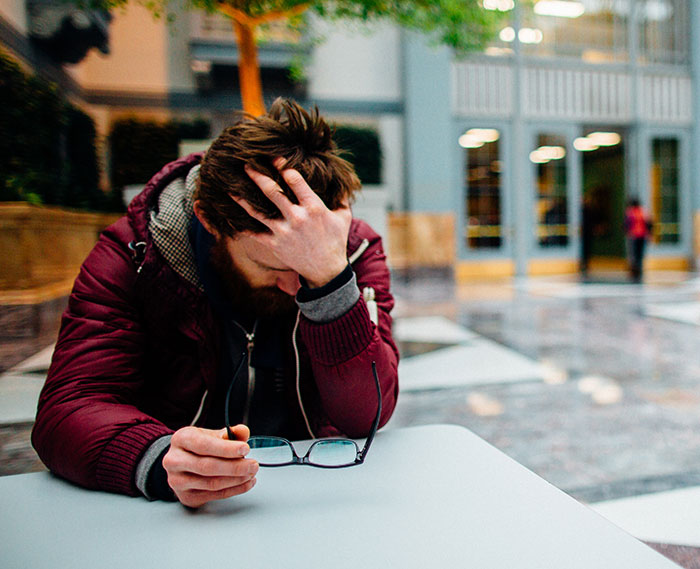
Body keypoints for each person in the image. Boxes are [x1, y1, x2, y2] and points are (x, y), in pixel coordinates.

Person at [31, 99, 399, 508]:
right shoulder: (135, 255)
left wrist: (331, 281)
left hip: (316, 494)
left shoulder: (352, 251)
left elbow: (366, 415)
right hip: (179, 515)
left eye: (308, 266)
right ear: (208, 219)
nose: (295, 287)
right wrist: (157, 457)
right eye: (273, 265)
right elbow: (69, 409)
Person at [623, 198, 653, 283]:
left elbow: (627, 224)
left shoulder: (630, 212)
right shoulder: (644, 212)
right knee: (640, 253)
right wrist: (649, 234)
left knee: (633, 253)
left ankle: (634, 270)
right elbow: (649, 224)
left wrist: (627, 232)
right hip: (642, 235)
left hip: (633, 235)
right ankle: (639, 269)